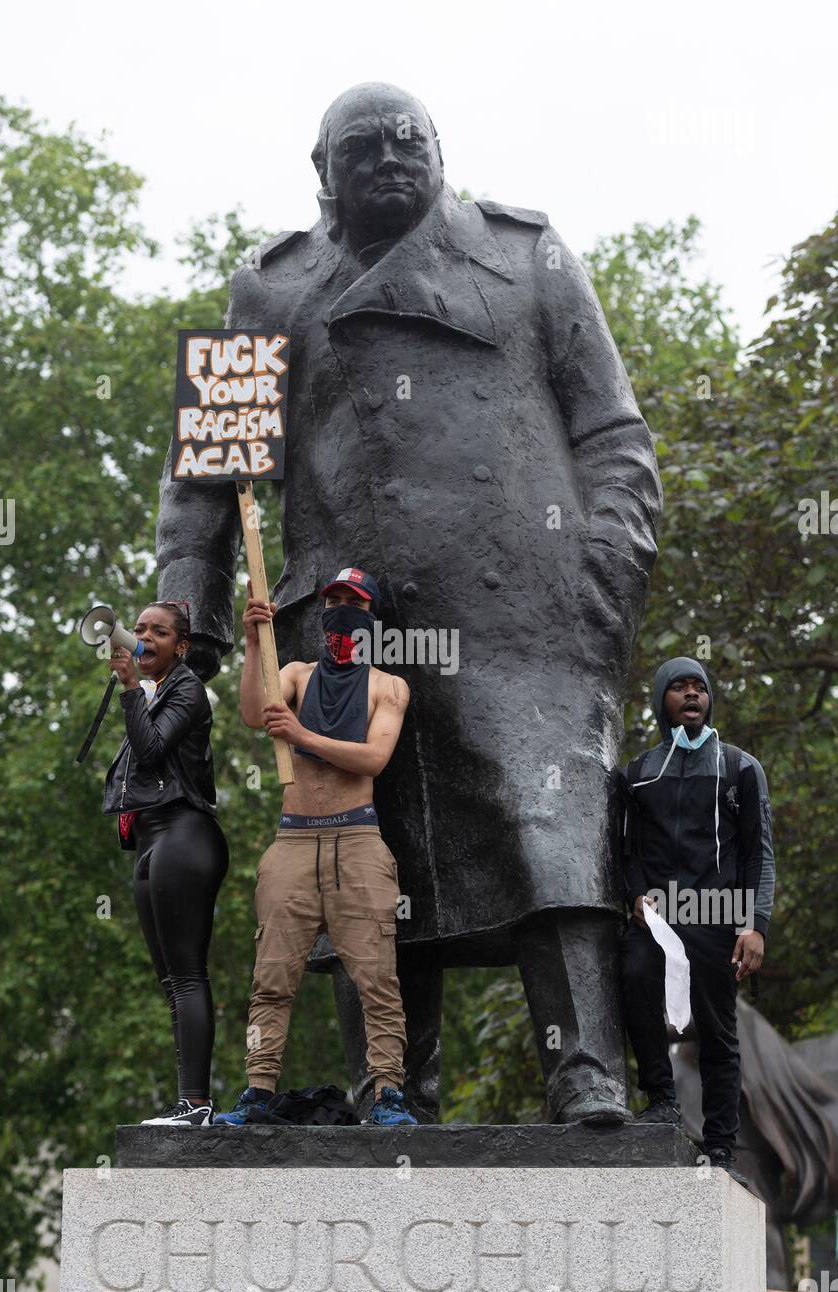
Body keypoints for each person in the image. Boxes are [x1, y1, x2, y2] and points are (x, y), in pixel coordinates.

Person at [156, 81, 662, 1124]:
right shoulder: (267, 290)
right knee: (360, 856)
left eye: (407, 141)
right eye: (361, 147)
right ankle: (391, 1089)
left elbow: (613, 434)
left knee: (547, 829)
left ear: (439, 149)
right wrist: (186, 626)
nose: (388, 159)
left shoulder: (526, 257)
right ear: (321, 172)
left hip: (523, 613)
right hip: (346, 619)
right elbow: (208, 476)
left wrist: (601, 574)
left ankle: (585, 1080)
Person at [214, 566, 417, 1127]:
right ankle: (257, 1091)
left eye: (351, 601)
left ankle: (388, 1096)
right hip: (293, 840)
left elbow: (374, 759)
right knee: (271, 977)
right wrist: (254, 643)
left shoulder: (388, 686)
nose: (339, 610)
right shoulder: (299, 673)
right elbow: (257, 713)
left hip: (357, 838)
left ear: (371, 615)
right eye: (331, 599)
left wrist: (301, 736)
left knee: (377, 978)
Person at [619, 656, 775, 1175]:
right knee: (635, 975)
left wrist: (754, 924)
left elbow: (759, 853)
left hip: (719, 913)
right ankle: (661, 1100)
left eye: (699, 688)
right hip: (659, 917)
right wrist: (637, 894)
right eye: (679, 688)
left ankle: (721, 1147)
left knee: (717, 1031)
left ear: (709, 700)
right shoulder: (638, 774)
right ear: (662, 701)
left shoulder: (739, 766)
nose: (691, 695)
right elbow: (626, 851)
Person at [102, 601, 229, 1126]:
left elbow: (152, 753)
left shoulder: (186, 687)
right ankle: (188, 1102)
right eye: (137, 629)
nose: (142, 636)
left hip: (185, 834)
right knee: (172, 982)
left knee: (187, 974)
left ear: (180, 646)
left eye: (157, 631)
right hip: (155, 839)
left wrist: (131, 687)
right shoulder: (153, 694)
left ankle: (197, 1102)